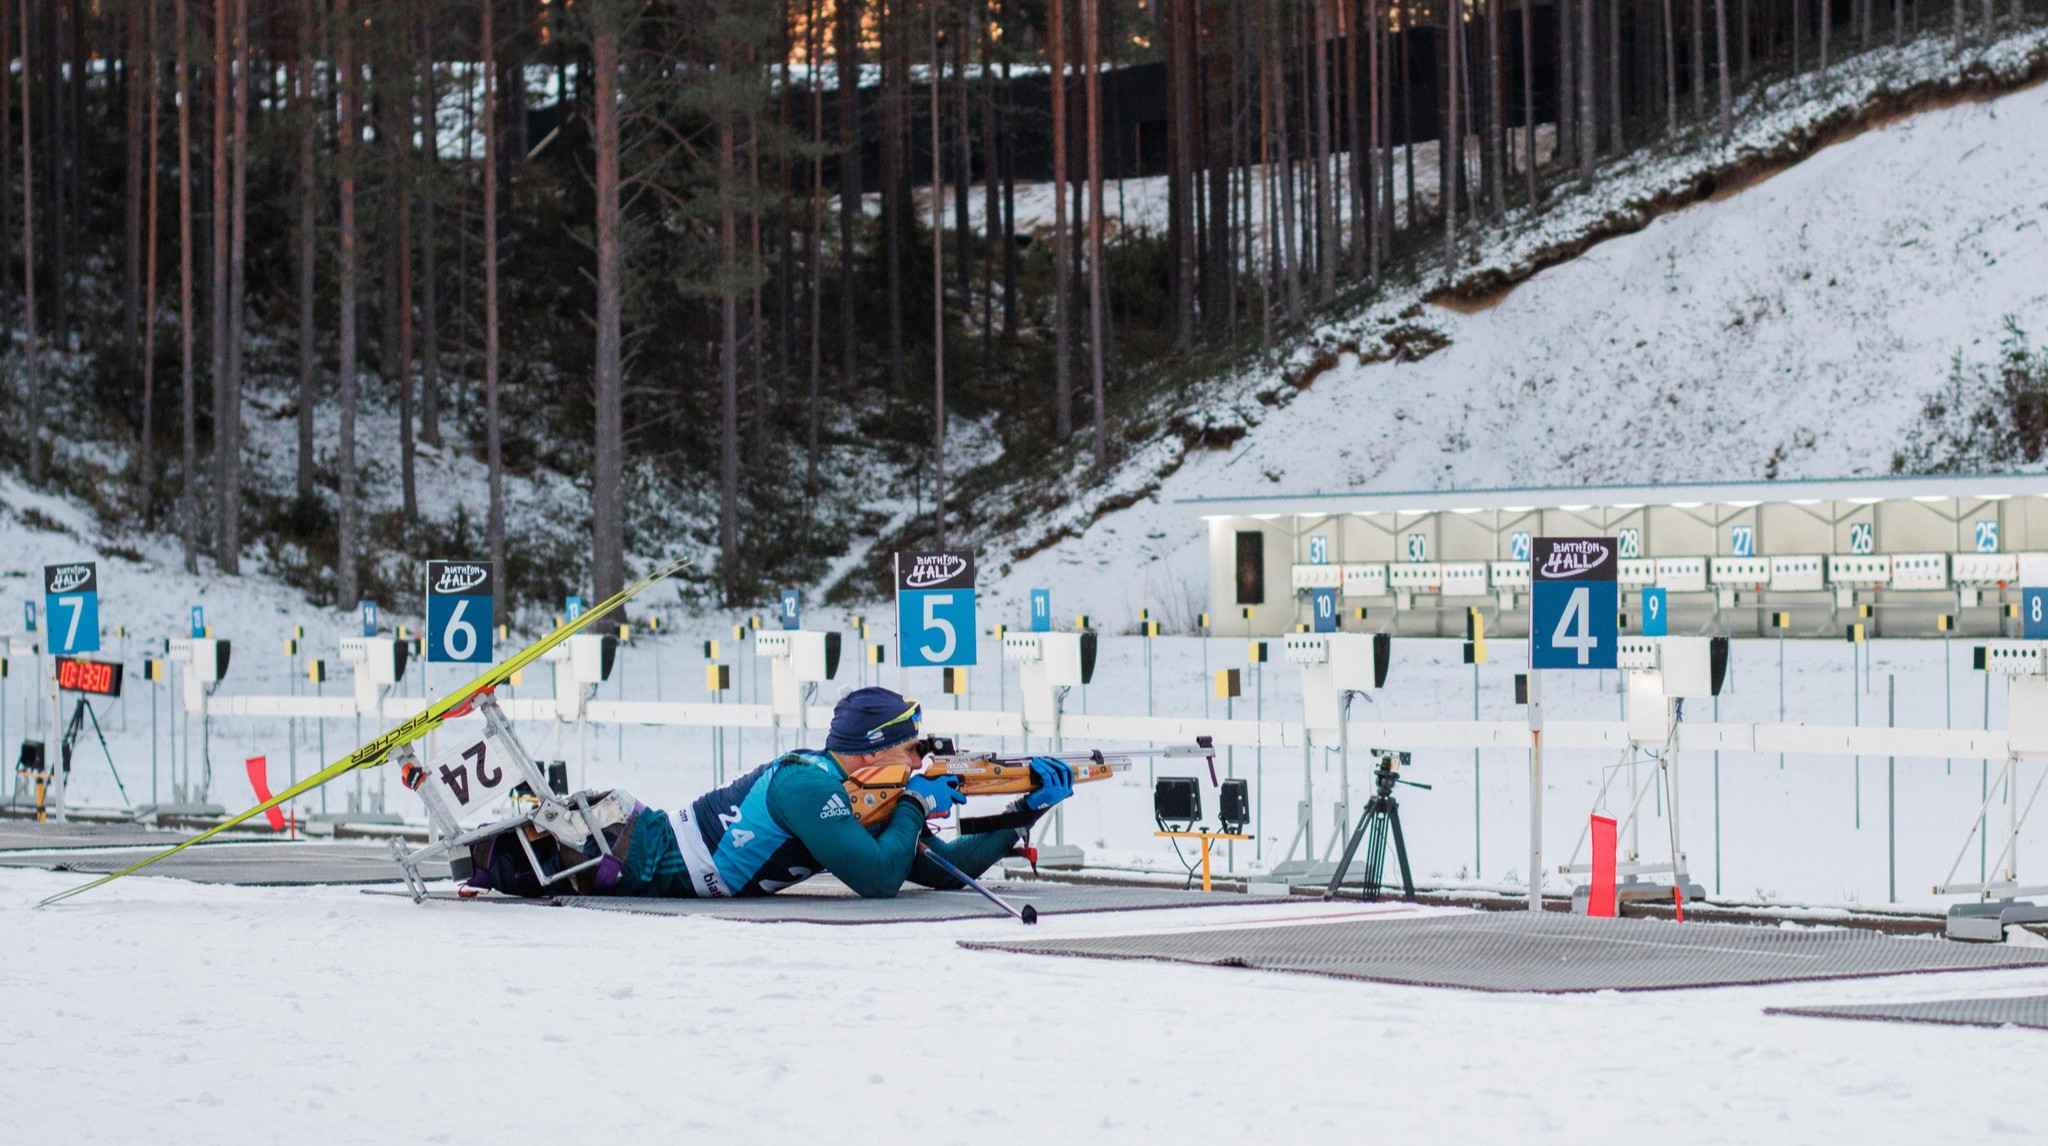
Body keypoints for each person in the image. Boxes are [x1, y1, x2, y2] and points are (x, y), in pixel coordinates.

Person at [466, 687, 1074, 899]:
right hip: (628, 854)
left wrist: (1024, 814)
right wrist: (917, 802)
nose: (920, 760)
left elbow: (943, 873)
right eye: (912, 749)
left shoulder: (858, 794)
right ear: (873, 751)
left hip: (635, 848)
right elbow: (880, 878)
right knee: (506, 858)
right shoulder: (808, 786)